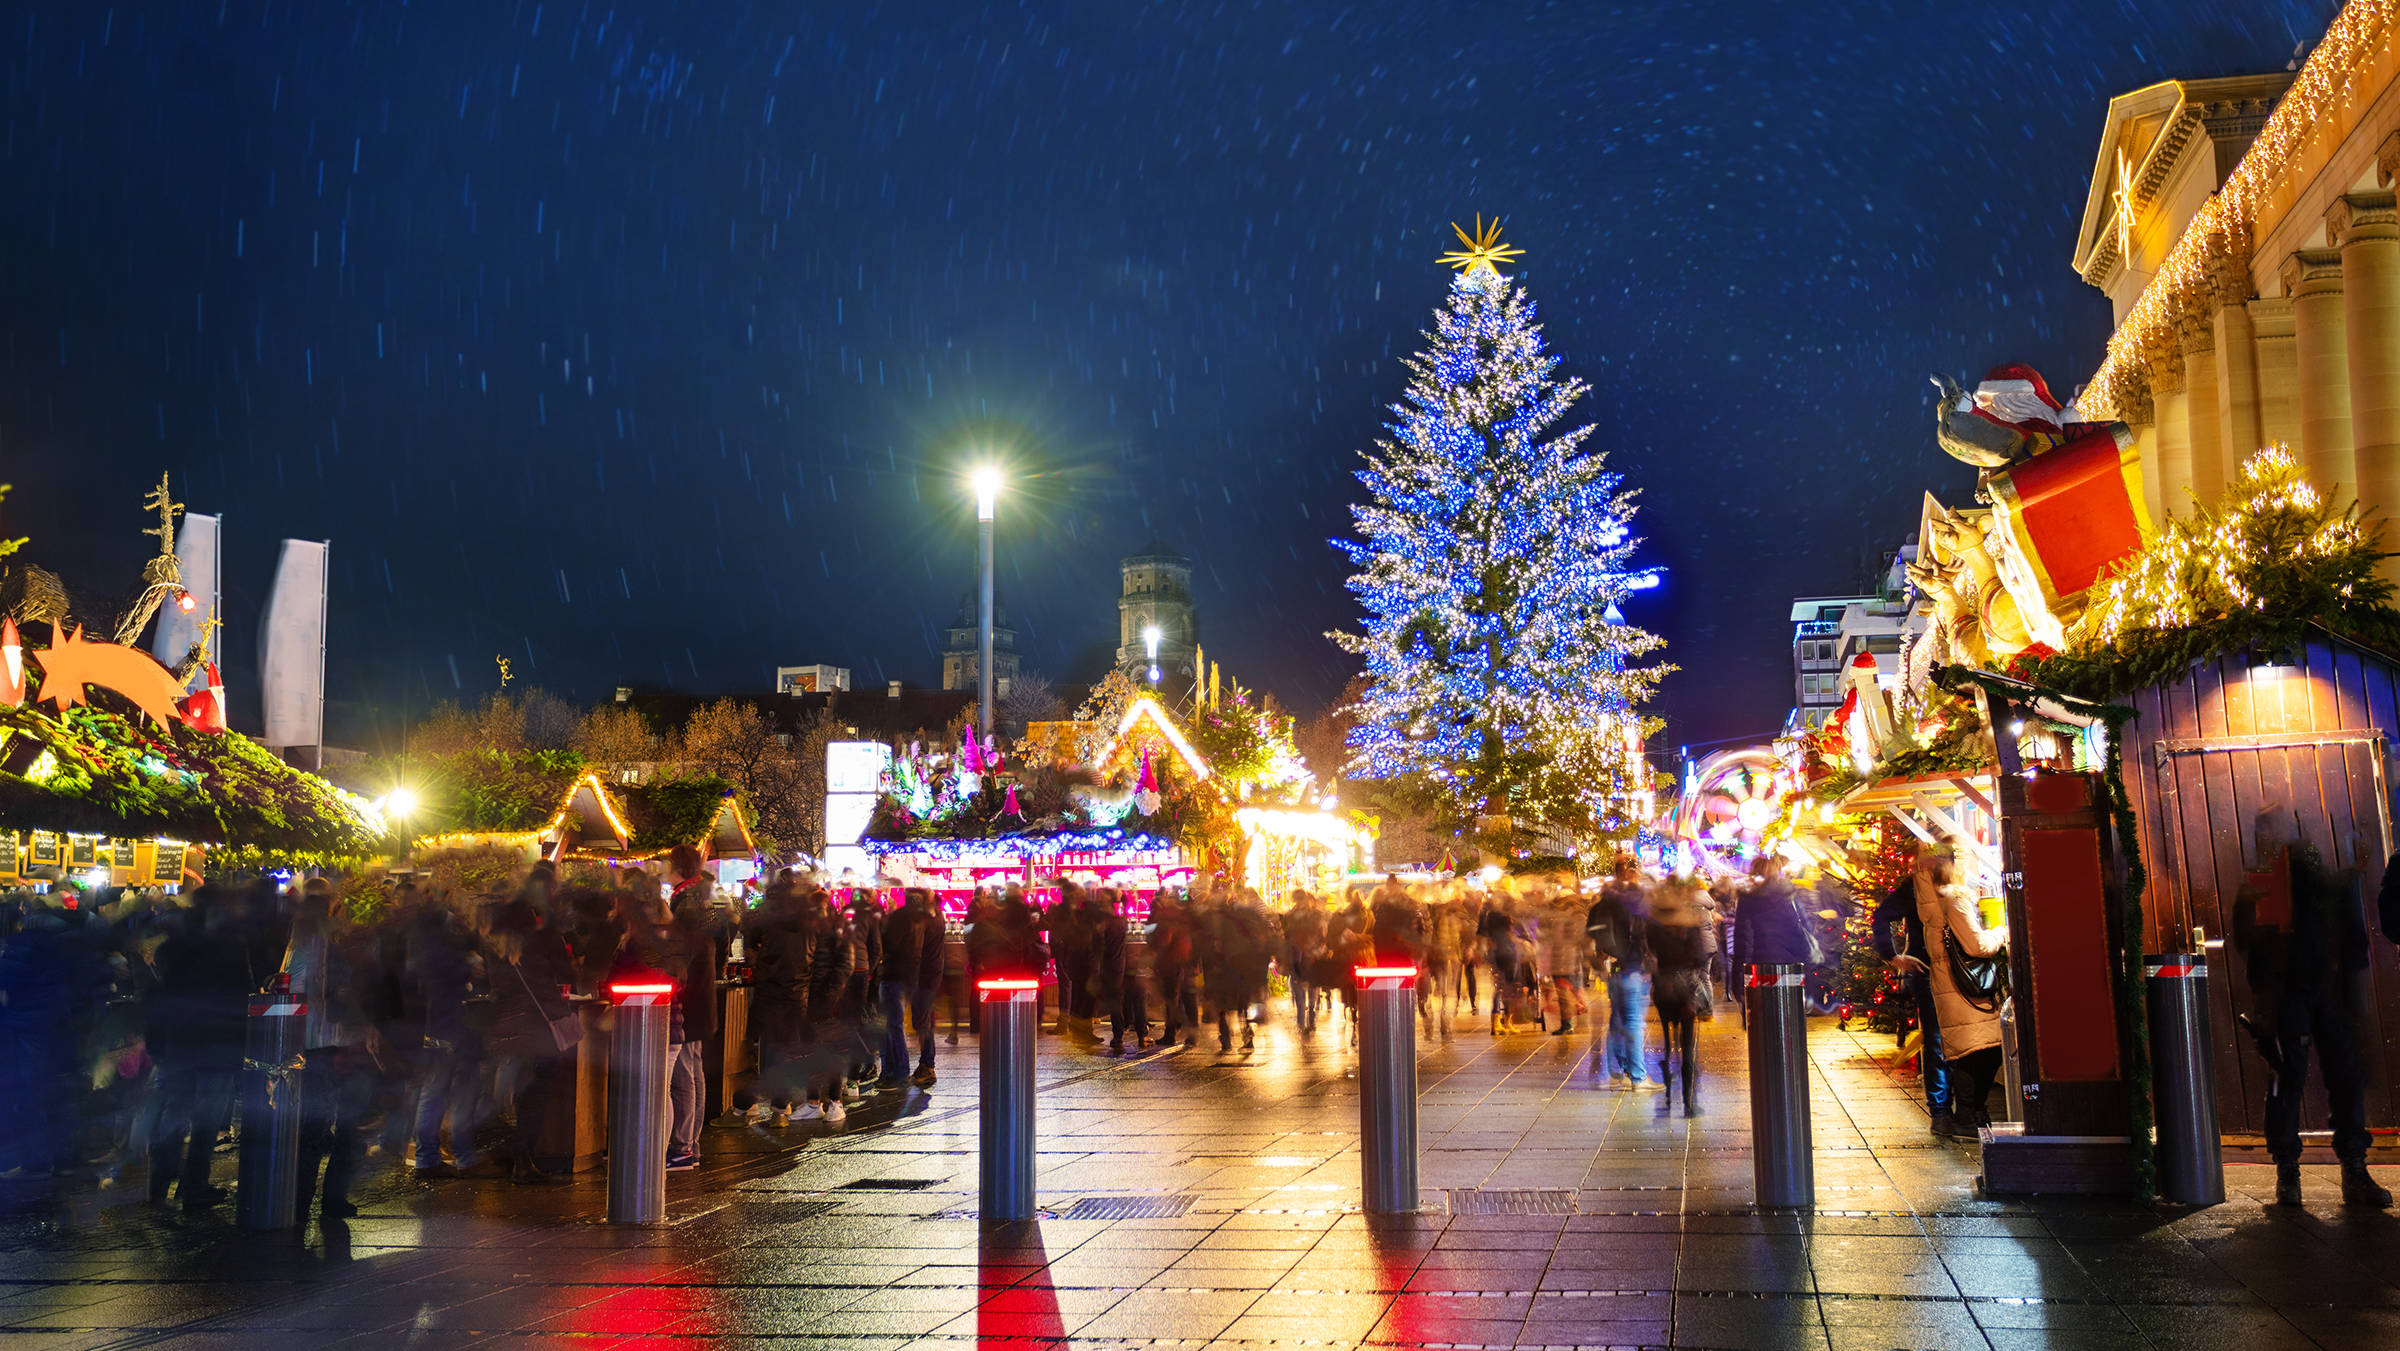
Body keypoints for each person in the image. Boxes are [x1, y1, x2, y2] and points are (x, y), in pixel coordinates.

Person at [2241, 838, 2392, 1207]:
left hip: (2296, 990)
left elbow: (2251, 942)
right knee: (2337, 1077)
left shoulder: (2270, 886)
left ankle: (2290, 1171)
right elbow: (2354, 945)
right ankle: (2348, 1167)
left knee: (2291, 1079)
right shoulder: (2333, 886)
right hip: (2322, 988)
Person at [1911, 850, 2008, 1135]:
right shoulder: (1955, 899)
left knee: (1972, 1050)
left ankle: (1970, 1112)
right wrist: (2000, 933)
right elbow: (1977, 945)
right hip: (1967, 988)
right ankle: (1968, 1114)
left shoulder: (1933, 902)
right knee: (1980, 1051)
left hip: (1950, 984)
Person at [1873, 849, 1954, 1136]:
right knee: (1935, 1038)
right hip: (1928, 970)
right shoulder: (1915, 886)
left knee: (1948, 1038)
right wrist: (1894, 956)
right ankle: (1941, 1111)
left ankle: (1960, 1109)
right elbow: (1881, 916)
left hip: (1955, 970)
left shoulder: (1954, 880)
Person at [1645, 872, 1715, 1117]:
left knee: (1666, 1041)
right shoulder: (1689, 919)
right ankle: (1689, 1102)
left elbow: (1649, 953)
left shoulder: (1655, 920)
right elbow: (1698, 956)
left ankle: (1666, 1087)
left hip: (1663, 990)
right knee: (1688, 1047)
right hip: (1686, 991)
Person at [1587, 860, 1659, 1090]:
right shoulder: (1637, 898)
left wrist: (1608, 953)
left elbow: (1590, 928)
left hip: (1614, 968)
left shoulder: (1605, 899)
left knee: (1616, 1021)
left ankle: (1616, 1074)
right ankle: (1638, 1076)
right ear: (1633, 873)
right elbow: (1648, 933)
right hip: (1634, 967)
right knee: (1634, 1022)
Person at [878, 887, 944, 1089]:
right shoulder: (935, 916)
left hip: (923, 976)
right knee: (922, 1021)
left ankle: (927, 1065)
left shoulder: (924, 920)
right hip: (928, 975)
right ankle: (925, 1064)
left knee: (921, 1022)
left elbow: (913, 948)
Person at [1094, 889, 1150, 1055]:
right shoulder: (1127, 922)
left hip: (1113, 968)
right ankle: (1142, 1034)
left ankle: (1118, 1035)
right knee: (1138, 1000)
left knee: (1116, 1002)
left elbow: (1098, 947)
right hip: (1131, 967)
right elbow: (1138, 944)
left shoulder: (1106, 924)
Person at [1149, 891, 1199, 1049]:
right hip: (1187, 962)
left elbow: (1164, 941)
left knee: (1172, 1000)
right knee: (1189, 1000)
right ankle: (1192, 1034)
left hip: (1173, 964)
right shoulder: (1186, 918)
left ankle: (1170, 1034)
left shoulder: (1169, 919)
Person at [1282, 889, 1327, 1036]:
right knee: (1311, 988)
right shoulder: (1314, 915)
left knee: (1301, 992)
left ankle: (1303, 1023)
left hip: (1298, 956)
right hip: (1309, 955)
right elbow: (1321, 934)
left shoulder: (1290, 916)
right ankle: (1310, 1020)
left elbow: (1287, 937)